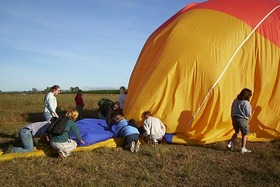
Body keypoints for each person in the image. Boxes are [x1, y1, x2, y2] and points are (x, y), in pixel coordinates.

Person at [227, 88, 253, 153]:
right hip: (242, 119)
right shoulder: (246, 103)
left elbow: (232, 108)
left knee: (236, 132)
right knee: (244, 134)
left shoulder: (235, 100)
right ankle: (243, 148)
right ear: (247, 96)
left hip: (234, 118)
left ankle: (230, 144)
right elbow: (248, 113)